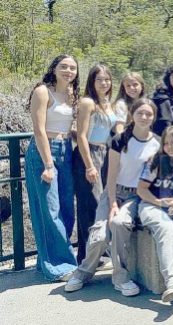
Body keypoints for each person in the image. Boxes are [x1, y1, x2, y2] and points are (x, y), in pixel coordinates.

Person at [65, 98, 160, 296]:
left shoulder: (156, 143)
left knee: (118, 224)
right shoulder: (120, 140)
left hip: (136, 196)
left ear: (154, 117)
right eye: (140, 113)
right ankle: (83, 272)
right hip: (113, 191)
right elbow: (111, 174)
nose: (144, 117)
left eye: (148, 114)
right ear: (131, 115)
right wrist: (113, 202)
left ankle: (120, 277)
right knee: (99, 236)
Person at [25, 54, 80, 282]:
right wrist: (48, 164)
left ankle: (47, 261)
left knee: (67, 209)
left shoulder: (72, 94)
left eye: (73, 68)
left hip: (66, 150)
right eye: (64, 67)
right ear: (54, 68)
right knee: (50, 210)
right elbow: (39, 130)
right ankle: (61, 266)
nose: (68, 71)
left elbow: (68, 127)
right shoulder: (42, 91)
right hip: (43, 153)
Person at [136, 125, 173, 302]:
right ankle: (172, 283)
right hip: (151, 204)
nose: (170, 147)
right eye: (166, 143)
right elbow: (141, 190)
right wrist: (158, 202)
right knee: (166, 227)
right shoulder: (155, 161)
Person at [73, 64, 117, 264]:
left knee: (103, 202)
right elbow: (81, 135)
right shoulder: (87, 103)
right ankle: (86, 255)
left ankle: (100, 250)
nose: (104, 83)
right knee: (89, 204)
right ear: (92, 81)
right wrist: (89, 165)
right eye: (99, 79)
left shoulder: (107, 103)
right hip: (88, 154)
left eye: (107, 79)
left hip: (105, 153)